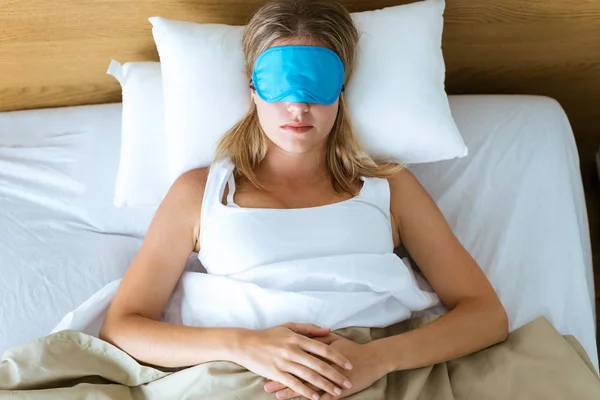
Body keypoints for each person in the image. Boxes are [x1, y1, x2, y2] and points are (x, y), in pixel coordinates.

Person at [99, 0, 508, 399]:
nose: (297, 106)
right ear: (252, 85)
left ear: (342, 87)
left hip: (371, 375)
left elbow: (485, 314)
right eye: (280, 83)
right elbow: (121, 327)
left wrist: (376, 359)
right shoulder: (200, 192)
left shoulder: (389, 187)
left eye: (316, 83)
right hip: (241, 376)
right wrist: (243, 345)